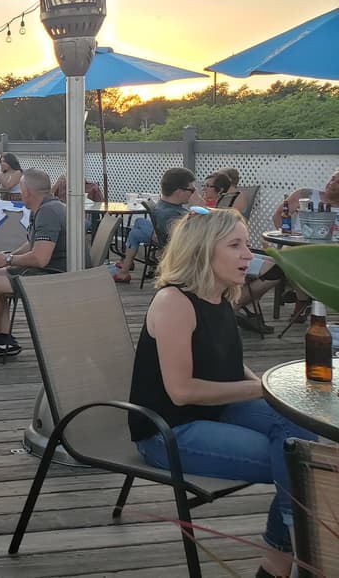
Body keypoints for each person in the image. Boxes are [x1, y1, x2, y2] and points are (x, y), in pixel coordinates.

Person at [128, 209, 315, 578]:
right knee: (301, 462)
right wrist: (259, 389)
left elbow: (229, 366)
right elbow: (180, 392)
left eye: (247, 244)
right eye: (235, 245)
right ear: (201, 251)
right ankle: (301, 543)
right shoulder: (174, 304)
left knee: (303, 432)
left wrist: (271, 392)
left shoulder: (219, 295)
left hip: (218, 409)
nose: (249, 255)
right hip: (169, 429)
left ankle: (280, 559)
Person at [0, 169, 66, 359]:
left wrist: (8, 260)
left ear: (27, 192)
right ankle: (1, 336)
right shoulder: (48, 206)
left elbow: (40, 258)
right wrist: (8, 256)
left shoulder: (48, 212)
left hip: (56, 277)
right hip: (53, 270)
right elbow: (33, 243)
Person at [113, 167, 199, 283]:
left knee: (137, 227)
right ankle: (125, 269)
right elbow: (184, 240)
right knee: (138, 226)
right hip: (187, 255)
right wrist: (201, 208)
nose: (195, 193)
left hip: (161, 238)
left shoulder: (165, 206)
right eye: (192, 190)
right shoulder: (171, 214)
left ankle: (125, 269)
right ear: (179, 192)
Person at [272, 168, 339, 231]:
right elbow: (278, 216)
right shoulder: (305, 194)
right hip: (299, 243)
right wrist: (288, 236)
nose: (331, 183)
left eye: (338, 182)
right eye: (332, 179)